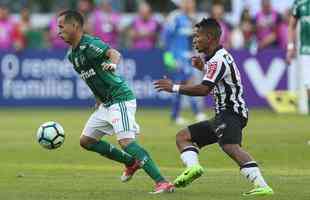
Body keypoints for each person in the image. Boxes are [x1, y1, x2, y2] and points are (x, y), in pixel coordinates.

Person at [57, 10, 175, 194]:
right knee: (86, 141)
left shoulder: (90, 44)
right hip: (106, 103)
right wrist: (98, 98)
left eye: (61, 27)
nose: (58, 32)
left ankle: (162, 182)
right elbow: (91, 78)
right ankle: (130, 162)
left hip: (120, 98)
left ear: (75, 26)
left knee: (127, 142)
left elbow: (114, 53)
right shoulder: (72, 55)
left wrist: (112, 64)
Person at [154, 18, 274, 196]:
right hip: (223, 114)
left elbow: (203, 89)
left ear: (209, 37)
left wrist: (174, 87)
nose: (194, 40)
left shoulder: (219, 60)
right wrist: (203, 67)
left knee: (230, 146)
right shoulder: (213, 59)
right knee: (183, 137)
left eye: (197, 36)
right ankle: (193, 168)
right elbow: (215, 80)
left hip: (232, 112)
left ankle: (262, 185)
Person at [162, 0, 206, 125]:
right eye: (187, 2)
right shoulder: (175, 18)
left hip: (187, 57)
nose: (190, 5)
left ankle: (175, 116)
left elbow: (193, 39)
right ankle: (197, 113)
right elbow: (166, 37)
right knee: (188, 82)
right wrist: (168, 57)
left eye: (192, 3)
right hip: (177, 58)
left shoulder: (192, 20)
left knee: (180, 85)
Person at [287, 0, 310, 114]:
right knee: (308, 85)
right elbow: (291, 26)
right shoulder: (300, 3)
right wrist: (291, 47)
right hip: (306, 50)